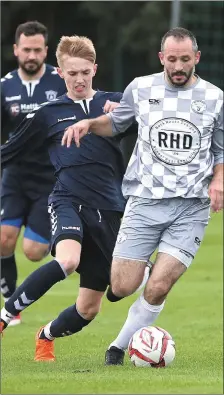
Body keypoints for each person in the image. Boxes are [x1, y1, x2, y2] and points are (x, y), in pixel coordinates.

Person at [61, 27, 223, 366]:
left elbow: (221, 151)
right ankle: (145, 270)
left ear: (196, 58)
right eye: (172, 60)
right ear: (162, 58)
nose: (178, 67)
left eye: (185, 60)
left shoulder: (214, 98)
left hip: (191, 207)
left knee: (159, 288)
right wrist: (90, 124)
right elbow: (116, 124)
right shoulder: (141, 88)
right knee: (120, 285)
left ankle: (117, 349)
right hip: (144, 202)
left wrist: (218, 180)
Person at [0, 35, 150, 362]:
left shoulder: (115, 104)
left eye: (85, 71)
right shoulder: (46, 114)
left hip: (110, 211)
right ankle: (5, 316)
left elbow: (156, 126)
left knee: (88, 308)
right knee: (67, 260)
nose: (79, 79)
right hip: (67, 200)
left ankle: (47, 334)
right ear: (60, 74)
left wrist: (133, 112)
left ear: (95, 69)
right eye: (72, 73)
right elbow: (9, 152)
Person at [1, 21, 66, 326]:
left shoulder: (60, 81)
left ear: (46, 51)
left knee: (34, 252)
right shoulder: (6, 86)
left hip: (48, 179)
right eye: (26, 49)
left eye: (37, 50)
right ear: (16, 50)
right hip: (14, 176)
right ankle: (10, 305)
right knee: (3, 240)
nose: (31, 55)